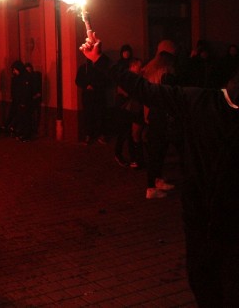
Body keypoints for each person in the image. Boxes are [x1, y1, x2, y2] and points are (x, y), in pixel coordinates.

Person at [81, 29, 239, 307]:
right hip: (201, 215)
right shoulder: (199, 101)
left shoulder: (198, 99)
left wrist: (101, 60)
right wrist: (100, 60)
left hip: (220, 218)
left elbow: (145, 89)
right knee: (206, 282)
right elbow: (145, 90)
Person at [141, 40, 180, 199]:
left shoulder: (152, 67)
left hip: (156, 113)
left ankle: (157, 180)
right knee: (156, 151)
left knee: (159, 149)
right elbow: (167, 94)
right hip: (159, 114)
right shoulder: (163, 70)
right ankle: (151, 187)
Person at [75, 52, 110, 144]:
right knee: (88, 115)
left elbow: (106, 80)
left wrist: (95, 86)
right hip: (88, 96)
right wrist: (86, 85)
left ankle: (100, 135)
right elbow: (78, 80)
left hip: (99, 95)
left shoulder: (101, 68)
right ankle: (88, 135)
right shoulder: (84, 68)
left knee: (100, 115)